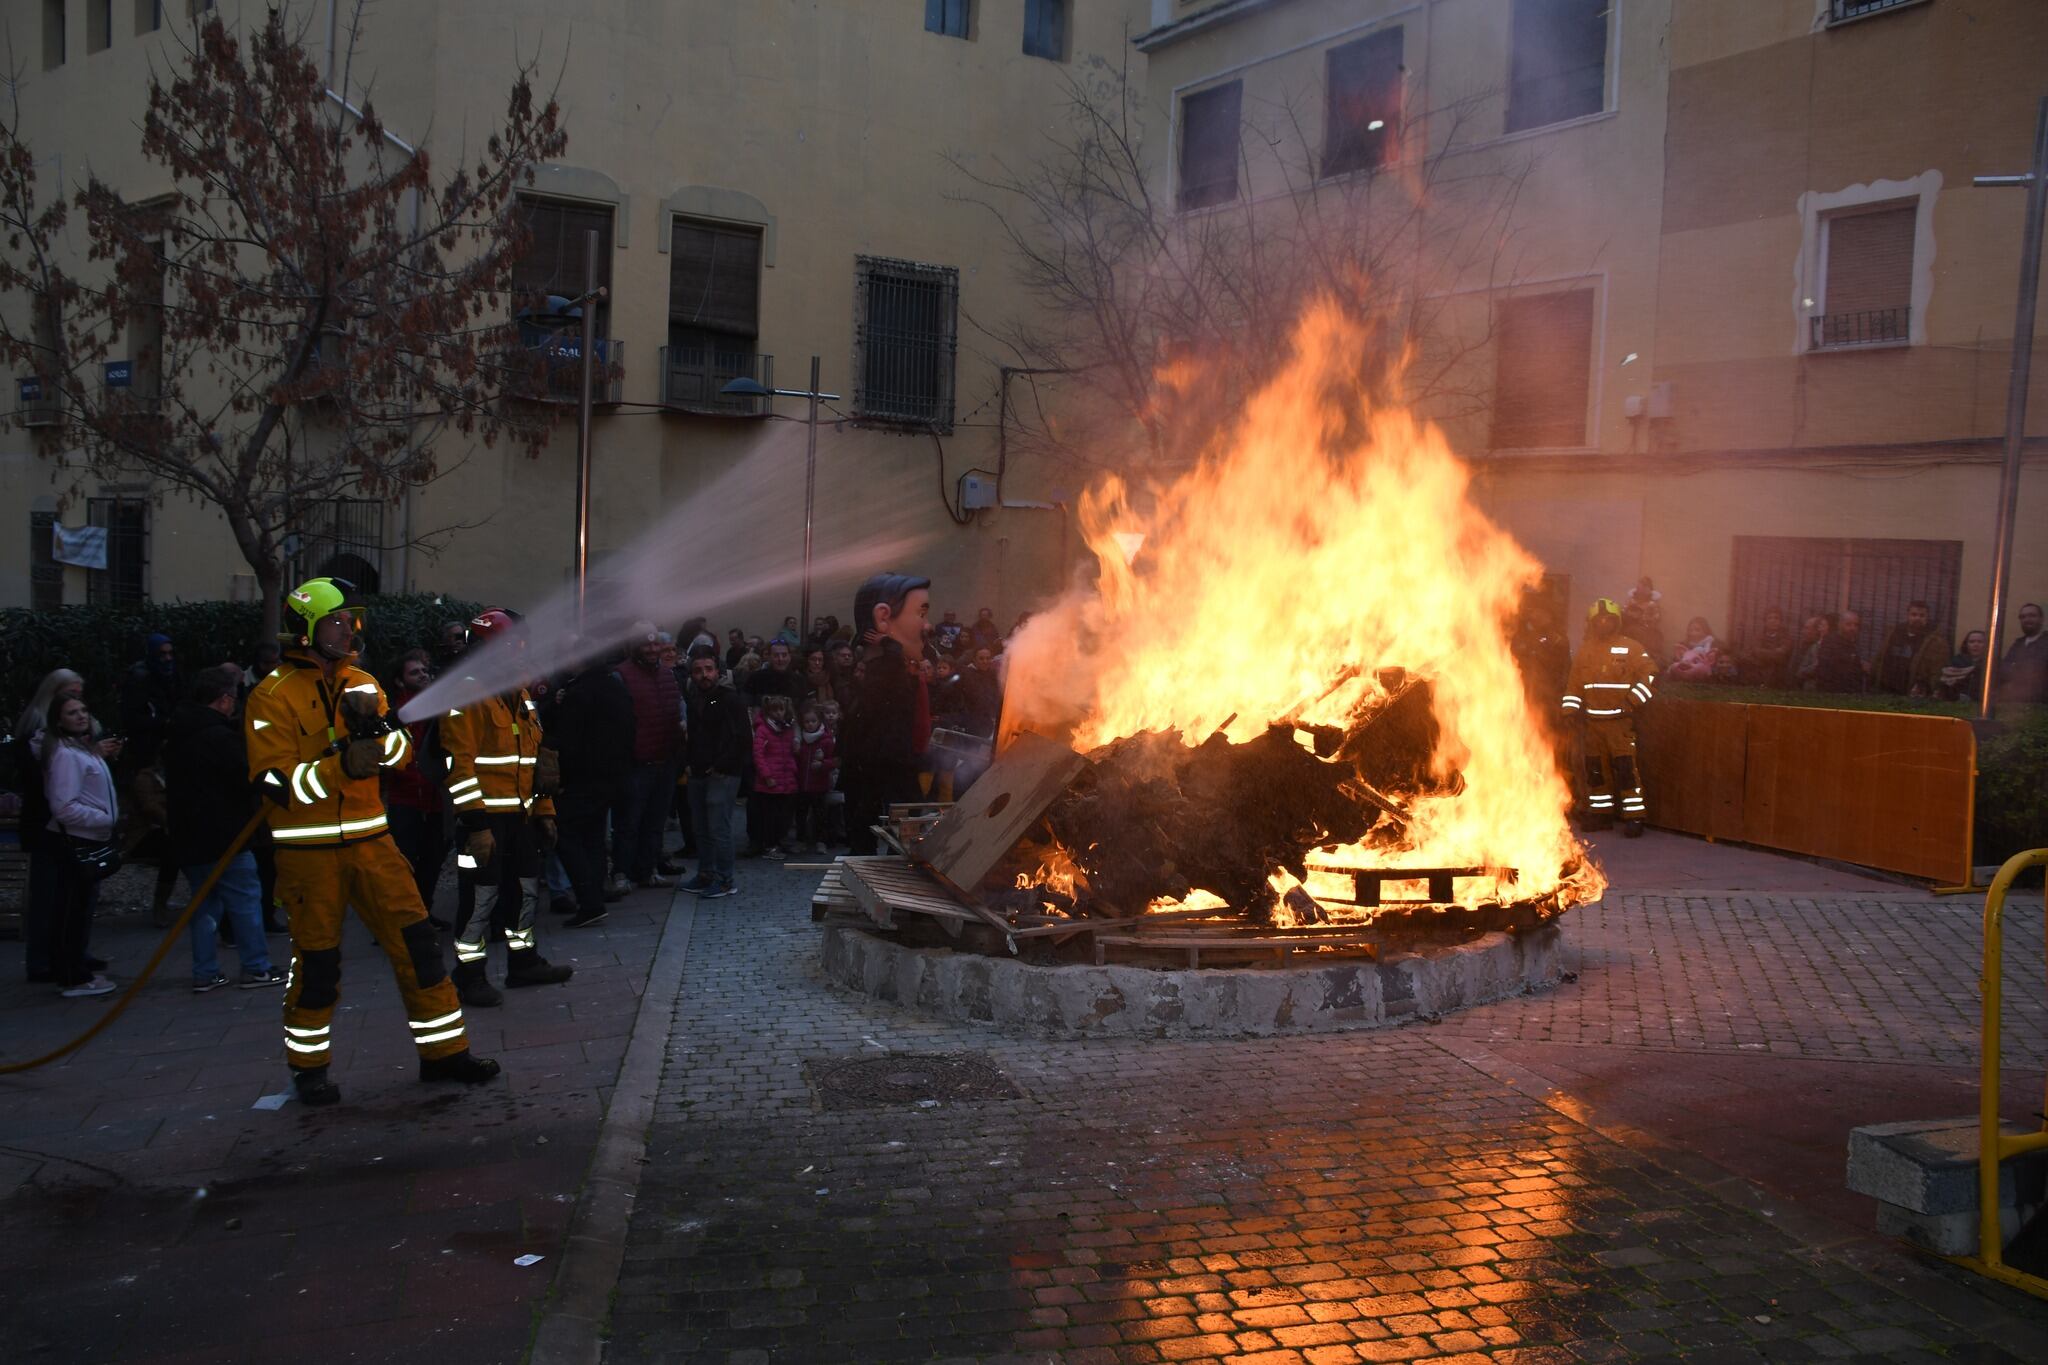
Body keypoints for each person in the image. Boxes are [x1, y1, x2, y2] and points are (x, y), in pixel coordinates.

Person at [245, 577, 498, 1107]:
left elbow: (402, 754)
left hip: (373, 842)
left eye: (352, 620)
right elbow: (276, 785)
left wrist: (380, 741)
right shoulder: (270, 697)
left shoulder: (363, 682)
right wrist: (341, 766)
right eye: (338, 620)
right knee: (317, 964)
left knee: (420, 948)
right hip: (308, 857)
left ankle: (445, 1053)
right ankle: (309, 1068)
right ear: (307, 627)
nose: (349, 629)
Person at [440, 608, 575, 1008]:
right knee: (479, 899)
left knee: (525, 891)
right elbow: (457, 763)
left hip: (521, 817)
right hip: (483, 821)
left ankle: (523, 963)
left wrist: (545, 808)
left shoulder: (519, 694)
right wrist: (475, 822)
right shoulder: (466, 693)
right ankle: (469, 975)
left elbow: (534, 761)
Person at [162, 667, 281, 992]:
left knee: (205, 903)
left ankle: (205, 971)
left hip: (189, 835)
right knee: (244, 899)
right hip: (225, 835)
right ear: (225, 699)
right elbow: (246, 776)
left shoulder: (179, 731)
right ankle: (256, 966)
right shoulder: (219, 737)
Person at [13, 669, 118, 984]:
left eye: (81, 701)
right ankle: (54, 961)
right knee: (57, 898)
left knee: (77, 897)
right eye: (71, 700)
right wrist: (104, 818)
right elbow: (60, 797)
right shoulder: (52, 743)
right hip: (59, 829)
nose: (80, 708)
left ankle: (72, 957)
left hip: (76, 827)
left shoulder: (70, 744)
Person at [540, 649, 636, 927]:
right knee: (593, 837)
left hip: (584, 780)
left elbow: (569, 744)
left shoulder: (579, 693)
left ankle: (589, 899)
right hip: (613, 777)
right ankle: (595, 898)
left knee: (564, 833)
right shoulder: (614, 687)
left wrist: (561, 780)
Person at [843, 573, 931, 855]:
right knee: (894, 814)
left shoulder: (888, 670)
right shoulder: (886, 670)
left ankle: (882, 863)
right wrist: (890, 645)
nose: (927, 625)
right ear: (883, 618)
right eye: (921, 613)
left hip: (885, 759)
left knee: (882, 815)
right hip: (887, 759)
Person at [41, 693, 121, 997]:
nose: (80, 716)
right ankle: (73, 976)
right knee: (70, 910)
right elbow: (64, 806)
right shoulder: (65, 755)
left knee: (77, 908)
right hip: (77, 839)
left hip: (89, 835)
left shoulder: (81, 750)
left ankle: (75, 969)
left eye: (83, 710)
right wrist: (103, 819)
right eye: (72, 712)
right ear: (59, 719)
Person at [1560, 598, 1656, 837]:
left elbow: (1651, 677)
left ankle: (1634, 817)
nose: (1604, 623)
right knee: (1595, 772)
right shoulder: (1585, 651)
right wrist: (1570, 711)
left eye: (1609, 620)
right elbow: (1573, 685)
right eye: (1599, 620)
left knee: (1626, 770)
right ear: (1592, 623)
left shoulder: (1631, 648)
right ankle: (1601, 814)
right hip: (1592, 725)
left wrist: (1631, 702)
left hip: (1620, 725)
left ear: (1617, 622)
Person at [612, 622, 685, 892]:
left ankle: (647, 870)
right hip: (636, 763)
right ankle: (621, 872)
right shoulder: (622, 676)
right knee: (628, 822)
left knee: (655, 822)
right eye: (647, 644)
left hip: (664, 759)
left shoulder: (667, 675)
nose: (653, 649)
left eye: (656, 644)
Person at [118, 630, 183, 926]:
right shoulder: (141, 681)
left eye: (171, 654)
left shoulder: (170, 680)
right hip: (148, 757)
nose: (168, 660)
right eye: (163, 655)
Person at [385, 650, 450, 929]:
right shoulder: (392, 714)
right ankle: (400, 921)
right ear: (400, 682)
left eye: (424, 670)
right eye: (415, 672)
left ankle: (423, 913)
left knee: (433, 860)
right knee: (404, 863)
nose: (423, 675)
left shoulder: (439, 706)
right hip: (406, 799)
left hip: (435, 799)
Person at [681, 644, 748, 898]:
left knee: (719, 827)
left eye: (708, 669)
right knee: (701, 827)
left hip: (722, 773)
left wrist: (721, 764)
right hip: (699, 770)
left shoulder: (730, 699)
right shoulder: (696, 698)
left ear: (717, 670)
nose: (704, 675)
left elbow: (742, 739)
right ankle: (706, 873)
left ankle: (724, 879)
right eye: (698, 670)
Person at [749, 694, 800, 861]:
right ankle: (769, 845)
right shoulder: (763, 730)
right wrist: (767, 775)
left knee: (784, 815)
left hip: (786, 777)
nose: (778, 713)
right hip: (771, 779)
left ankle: (779, 841)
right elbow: (758, 755)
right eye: (774, 710)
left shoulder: (788, 728)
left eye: (781, 709)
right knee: (770, 816)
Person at [1873, 600, 1948, 697]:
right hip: (1886, 690)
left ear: (1927, 618)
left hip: (1913, 694)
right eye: (1914, 614)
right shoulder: (1894, 633)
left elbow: (1937, 671)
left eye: (1922, 615)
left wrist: (1928, 689)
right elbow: (1880, 658)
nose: (1917, 618)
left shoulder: (1936, 642)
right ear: (1907, 615)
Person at [794, 700, 838, 854]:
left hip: (819, 785)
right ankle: (801, 840)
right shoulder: (800, 741)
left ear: (819, 721)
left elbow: (835, 760)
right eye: (807, 722)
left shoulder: (825, 740)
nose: (810, 724)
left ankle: (821, 840)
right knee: (800, 814)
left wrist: (823, 764)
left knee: (820, 815)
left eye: (813, 721)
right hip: (802, 784)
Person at [1998, 602, 2048, 704]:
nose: (2027, 619)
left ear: (2041, 619)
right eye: (2023, 617)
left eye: (2032, 616)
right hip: (2016, 700)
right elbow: (2004, 667)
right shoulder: (2018, 643)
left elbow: (2039, 669)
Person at [1734, 608, 1795, 689]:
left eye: (1776, 618)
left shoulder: (1787, 638)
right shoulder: (1758, 636)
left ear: (1781, 621)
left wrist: (1763, 654)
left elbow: (1781, 656)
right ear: (1765, 621)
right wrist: (1774, 652)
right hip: (1758, 674)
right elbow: (1755, 652)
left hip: (1778, 678)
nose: (1773, 620)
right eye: (1770, 618)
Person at [745, 639, 810, 713]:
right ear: (769, 657)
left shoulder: (799, 680)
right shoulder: (755, 678)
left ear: (789, 657)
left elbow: (804, 708)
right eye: (776, 655)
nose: (780, 659)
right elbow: (747, 706)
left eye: (784, 655)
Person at [1816, 611, 1867, 693]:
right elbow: (1825, 669)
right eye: (1848, 624)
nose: (1853, 628)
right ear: (1840, 625)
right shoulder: (1830, 642)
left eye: (1856, 625)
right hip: (1834, 693)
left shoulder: (1853, 643)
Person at [1619, 577, 1665, 665]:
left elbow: (1656, 619)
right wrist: (1629, 616)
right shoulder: (1631, 601)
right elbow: (1623, 612)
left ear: (1649, 589)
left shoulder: (1652, 604)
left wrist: (1642, 619)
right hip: (1629, 632)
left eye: (1645, 586)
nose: (1642, 588)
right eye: (1640, 585)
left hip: (1645, 633)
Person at [1939, 629, 1990, 703]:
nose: (1976, 645)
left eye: (1980, 642)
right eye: (1972, 642)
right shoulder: (1956, 662)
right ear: (1966, 644)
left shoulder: (1992, 663)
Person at [1666, 617, 1722, 683]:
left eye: (1697, 630)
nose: (1693, 633)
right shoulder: (1684, 644)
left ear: (1705, 630)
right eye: (1690, 630)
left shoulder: (1712, 644)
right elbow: (1677, 660)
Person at [1794, 613, 1831, 689]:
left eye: (1807, 628)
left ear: (1815, 630)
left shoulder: (1822, 648)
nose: (1803, 631)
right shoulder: (1802, 647)